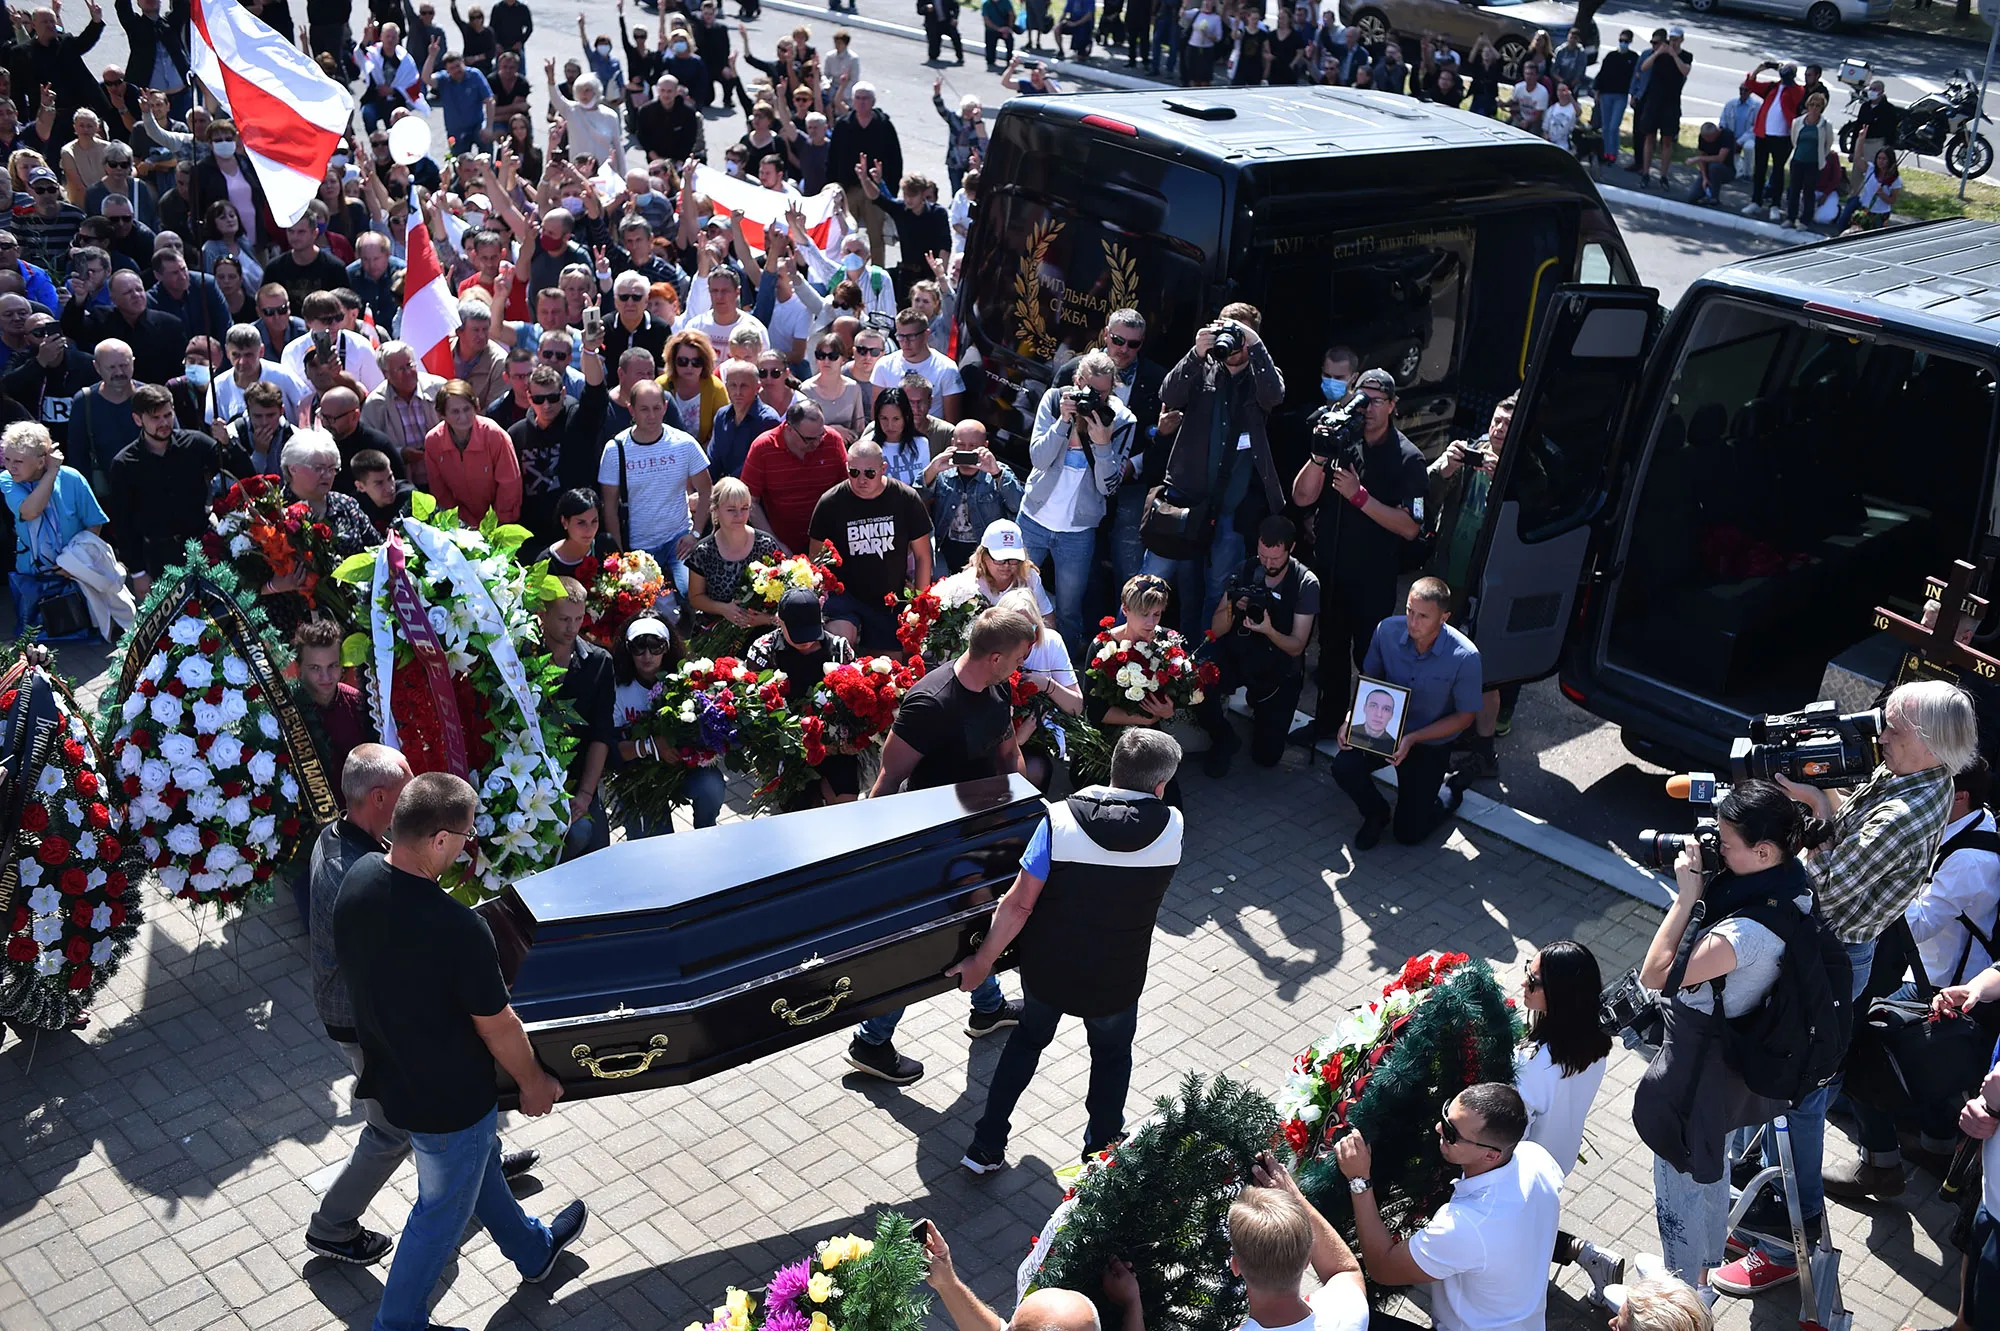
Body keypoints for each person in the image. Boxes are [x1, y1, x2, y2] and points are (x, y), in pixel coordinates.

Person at [1712, 680, 1972, 1296]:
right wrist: (1813, 797)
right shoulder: (1910, 778)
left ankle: (1787, 1244)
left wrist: (1763, 849)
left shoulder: (1906, 815)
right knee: (1773, 1086)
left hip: (1828, 962)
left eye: (1894, 728)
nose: (1879, 732)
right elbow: (1841, 835)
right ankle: (1753, 1212)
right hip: (1827, 954)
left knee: (1797, 1106)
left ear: (1931, 743)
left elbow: (1821, 883)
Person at [332, 772, 588, 1329]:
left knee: (476, 1173)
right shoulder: (457, 928)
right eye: (467, 837)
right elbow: (498, 1027)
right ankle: (397, 1323)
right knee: (439, 1212)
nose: (469, 846)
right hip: (449, 1100)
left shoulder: (356, 879)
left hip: (393, 1079)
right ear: (440, 840)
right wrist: (534, 1083)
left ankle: (533, 1251)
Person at [305, 745, 541, 1266]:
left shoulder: (338, 837)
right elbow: (403, 967)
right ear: (381, 797)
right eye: (407, 789)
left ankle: (486, 1171)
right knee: (393, 1129)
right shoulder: (359, 872)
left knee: (436, 1133)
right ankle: (332, 1225)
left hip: (355, 1009)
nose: (416, 800)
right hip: (361, 1020)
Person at [952, 725, 1183, 1172]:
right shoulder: (1173, 825)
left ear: (1113, 766)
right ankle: (1100, 1157)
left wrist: (982, 962)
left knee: (1026, 1042)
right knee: (1112, 1057)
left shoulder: (1057, 820)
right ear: (1160, 786)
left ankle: (985, 1146)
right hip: (1116, 977)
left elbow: (1018, 905)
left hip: (1049, 971)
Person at [1633, 780, 1815, 1294]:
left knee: (1682, 1178)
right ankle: (1703, 1268)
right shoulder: (1790, 884)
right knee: (1712, 1165)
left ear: (1763, 850)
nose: (1713, 847)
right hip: (1731, 1059)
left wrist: (1687, 894)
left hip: (1697, 1073)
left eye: (1725, 843)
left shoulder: (1745, 932)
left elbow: (1657, 972)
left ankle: (1686, 1294)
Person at [850, 605, 1036, 1084]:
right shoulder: (930, 704)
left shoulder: (996, 688)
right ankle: (870, 1041)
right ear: (994, 656)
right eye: (1018, 656)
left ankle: (988, 1008)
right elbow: (889, 779)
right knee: (933, 943)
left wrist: (1024, 813)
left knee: (979, 921)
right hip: (933, 844)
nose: (1022, 665)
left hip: (982, 833)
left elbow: (1007, 751)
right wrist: (876, 855)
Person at [1836, 757, 2000, 1201]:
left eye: (1936, 789)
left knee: (1862, 1045)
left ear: (1959, 797)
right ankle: (1936, 1145)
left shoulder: (1972, 860)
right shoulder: (1969, 825)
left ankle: (1880, 1165)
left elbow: (1918, 923)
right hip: (1935, 970)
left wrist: (1882, 873)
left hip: (1951, 984)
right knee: (1925, 1058)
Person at [1336, 1082, 1561, 1331]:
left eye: (1452, 1134)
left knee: (1343, 1321)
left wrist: (1359, 1180)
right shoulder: (1536, 1158)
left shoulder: (1467, 1225)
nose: (1438, 1128)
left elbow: (1382, 1268)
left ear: (1490, 1156)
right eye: (1445, 1114)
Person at [1291, 367, 1426, 747]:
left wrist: (1359, 496)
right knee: (1331, 654)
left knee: (1374, 659)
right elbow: (1302, 497)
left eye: (1376, 401)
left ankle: (1373, 738)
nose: (1366, 408)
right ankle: (1327, 724)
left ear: (1393, 406)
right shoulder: (1339, 438)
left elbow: (1411, 526)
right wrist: (1319, 457)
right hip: (1332, 570)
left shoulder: (1407, 458)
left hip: (1373, 578)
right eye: (1360, 399)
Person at [1142, 303, 1285, 637]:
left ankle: (1202, 666)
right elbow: (1168, 394)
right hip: (1183, 501)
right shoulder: (1202, 366)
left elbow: (1275, 396)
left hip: (1228, 508)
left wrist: (1257, 347)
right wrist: (1195, 352)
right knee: (1156, 585)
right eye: (1227, 330)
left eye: (1240, 335)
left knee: (1218, 593)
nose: (1231, 343)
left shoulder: (1261, 376)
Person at [1331, 577, 1480, 850]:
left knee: (1409, 834)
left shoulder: (1465, 656)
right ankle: (1376, 813)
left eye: (1423, 616)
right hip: (1383, 728)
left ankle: (1450, 790)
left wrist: (1412, 739)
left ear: (1444, 617)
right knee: (1343, 766)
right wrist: (1351, 718)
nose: (1413, 622)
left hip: (1427, 743)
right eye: (1410, 611)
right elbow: (1369, 678)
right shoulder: (1386, 631)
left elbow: (1465, 716)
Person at [1518, 940, 1624, 1302]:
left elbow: (1512, 1126)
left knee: (1517, 1229)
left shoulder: (1535, 1064)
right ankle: (1587, 1256)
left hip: (1523, 1165)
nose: (1524, 985)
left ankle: (1581, 1257)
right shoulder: (1593, 1042)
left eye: (1533, 981)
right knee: (1531, 1222)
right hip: (1559, 1155)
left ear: (1559, 994)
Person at [1024, 351, 1135, 661]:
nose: (1094, 399)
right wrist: (1063, 422)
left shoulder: (1122, 420)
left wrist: (1102, 444)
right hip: (1034, 518)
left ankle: (1064, 673)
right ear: (1077, 382)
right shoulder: (1054, 400)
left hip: (1077, 531)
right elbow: (1039, 459)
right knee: (1017, 595)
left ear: (1112, 389)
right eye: (1089, 390)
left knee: (1070, 610)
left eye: (1102, 393)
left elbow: (1108, 487)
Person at [1429, 392, 1517, 778]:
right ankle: (1457, 728)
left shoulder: (1525, 466)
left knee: (1484, 668)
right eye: (1495, 421)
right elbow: (1428, 490)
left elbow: (1535, 510)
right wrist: (1446, 467)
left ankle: (1484, 751)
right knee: (1444, 653)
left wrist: (1505, 482)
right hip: (1451, 572)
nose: (1497, 430)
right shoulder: (1470, 452)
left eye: (1507, 426)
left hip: (1493, 581)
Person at [1195, 514, 1317, 778]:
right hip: (1240, 654)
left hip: (1279, 668)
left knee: (1266, 757)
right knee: (1198, 686)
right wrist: (1233, 606)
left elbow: (1297, 646)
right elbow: (1215, 631)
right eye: (1263, 556)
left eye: (1275, 558)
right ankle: (1224, 738)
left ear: (1291, 549)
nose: (1268, 563)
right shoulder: (1245, 570)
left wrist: (1269, 630)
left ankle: (1261, 706)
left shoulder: (1306, 584)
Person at [599, 378, 710, 619]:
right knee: (656, 612)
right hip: (639, 547)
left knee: (693, 595)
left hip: (679, 539)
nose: (651, 415)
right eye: (644, 409)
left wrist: (696, 534)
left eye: (657, 408)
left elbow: (706, 490)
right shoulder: (615, 448)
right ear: (631, 410)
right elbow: (609, 505)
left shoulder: (683, 443)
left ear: (665, 407)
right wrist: (620, 557)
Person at [810, 438, 932, 653]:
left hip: (889, 600)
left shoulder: (905, 498)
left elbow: (923, 556)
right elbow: (817, 562)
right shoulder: (830, 503)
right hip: (844, 597)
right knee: (839, 649)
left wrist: (919, 606)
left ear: (883, 468)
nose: (861, 480)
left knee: (888, 672)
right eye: (854, 472)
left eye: (869, 473)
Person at [746, 588, 864, 809]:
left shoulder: (839, 649)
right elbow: (757, 715)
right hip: (789, 746)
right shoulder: (763, 653)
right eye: (798, 634)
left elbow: (853, 701)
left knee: (846, 802)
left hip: (834, 743)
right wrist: (802, 743)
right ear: (780, 622)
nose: (806, 642)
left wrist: (845, 740)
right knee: (802, 808)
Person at [107, 382, 226, 601]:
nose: (164, 423)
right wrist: (138, 572)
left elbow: (236, 471)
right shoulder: (125, 463)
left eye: (167, 415)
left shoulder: (196, 444)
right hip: (158, 558)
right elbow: (123, 524)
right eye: (155, 418)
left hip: (203, 546)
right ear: (138, 419)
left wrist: (227, 442)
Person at [1224, 1154, 1370, 1331]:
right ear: (1308, 1260)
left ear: (1235, 1266)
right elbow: (1346, 1270)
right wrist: (1295, 1197)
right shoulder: (1346, 1314)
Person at [611, 615, 727, 833]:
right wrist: (652, 745)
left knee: (711, 786)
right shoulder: (618, 689)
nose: (647, 656)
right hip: (638, 774)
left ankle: (707, 834)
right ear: (628, 649)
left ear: (667, 648)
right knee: (652, 842)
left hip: (683, 768)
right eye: (639, 647)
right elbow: (612, 750)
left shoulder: (686, 681)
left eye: (656, 647)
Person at [0, 422, 105, 633]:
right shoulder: (7, 480)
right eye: (7, 459)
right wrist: (51, 472)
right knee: (37, 635)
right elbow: (30, 511)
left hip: (76, 571)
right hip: (32, 575)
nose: (11, 466)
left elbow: (94, 523)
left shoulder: (72, 478)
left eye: (19, 461)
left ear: (41, 461)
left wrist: (74, 562)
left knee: (79, 630)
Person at [542, 578, 617, 860]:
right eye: (563, 619)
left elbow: (601, 733)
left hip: (577, 779)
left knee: (597, 851)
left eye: (578, 618)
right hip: (532, 777)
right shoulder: (519, 655)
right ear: (542, 613)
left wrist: (586, 794)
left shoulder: (599, 663)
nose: (572, 628)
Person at [743, 398, 848, 556]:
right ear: (789, 428)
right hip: (781, 545)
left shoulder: (832, 441)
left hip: (828, 544)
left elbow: (847, 489)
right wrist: (774, 543)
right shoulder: (763, 448)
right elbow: (751, 501)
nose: (818, 443)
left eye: (821, 434)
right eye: (809, 439)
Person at [926, 419, 1023, 573]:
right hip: (945, 551)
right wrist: (932, 469)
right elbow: (915, 499)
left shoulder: (997, 471)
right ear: (952, 444)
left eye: (973, 447)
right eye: (961, 445)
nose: (966, 450)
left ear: (985, 446)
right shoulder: (942, 471)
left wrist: (996, 474)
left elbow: (1018, 505)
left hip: (985, 555)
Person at [424, 379, 521, 526]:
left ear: (476, 406)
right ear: (442, 414)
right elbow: (439, 490)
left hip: (498, 522)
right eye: (455, 412)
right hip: (460, 525)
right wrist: (461, 523)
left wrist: (499, 522)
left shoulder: (494, 435)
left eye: (467, 409)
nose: (463, 417)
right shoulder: (433, 441)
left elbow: (509, 483)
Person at [871, 308, 964, 422]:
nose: (905, 342)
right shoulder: (883, 365)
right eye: (900, 336)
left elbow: (952, 422)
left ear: (926, 334)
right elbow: (876, 415)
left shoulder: (947, 369)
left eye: (911, 336)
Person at [1742, 61, 1803, 220]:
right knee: (1759, 169)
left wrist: (1784, 72)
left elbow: (1798, 98)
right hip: (1763, 134)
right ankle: (1756, 201)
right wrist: (1760, 69)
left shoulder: (1797, 90)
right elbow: (1750, 84)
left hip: (1782, 137)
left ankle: (1775, 205)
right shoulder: (1771, 87)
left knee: (1777, 172)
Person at [1633, 28, 1692, 189]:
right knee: (1649, 137)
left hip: (1671, 102)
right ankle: (1645, 173)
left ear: (1681, 40)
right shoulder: (1660, 53)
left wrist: (1674, 55)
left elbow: (1685, 71)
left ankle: (1663, 176)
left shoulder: (1685, 56)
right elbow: (1644, 67)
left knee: (1667, 141)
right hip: (1654, 101)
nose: (1673, 42)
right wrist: (1658, 53)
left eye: (1676, 39)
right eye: (1671, 39)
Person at [707, 358, 781, 481]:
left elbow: (756, 466)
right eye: (733, 385)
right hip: (722, 490)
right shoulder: (722, 416)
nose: (737, 392)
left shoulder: (767, 420)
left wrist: (722, 488)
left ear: (757, 388)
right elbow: (713, 459)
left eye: (744, 386)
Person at [1782, 93, 1834, 231]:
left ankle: (1805, 220)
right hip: (1798, 160)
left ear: (1822, 108)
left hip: (1813, 163)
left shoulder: (1825, 125)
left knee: (1809, 192)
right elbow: (1794, 140)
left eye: (1818, 106)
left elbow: (1827, 145)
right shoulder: (1798, 122)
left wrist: (1820, 157)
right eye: (1812, 105)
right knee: (1794, 190)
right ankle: (1790, 218)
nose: (1814, 108)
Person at [1686, 122, 1738, 205]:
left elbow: (1720, 158)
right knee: (1692, 197)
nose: (1707, 140)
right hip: (1707, 170)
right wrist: (1704, 177)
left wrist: (1699, 158)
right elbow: (1701, 156)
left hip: (1726, 170)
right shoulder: (1702, 138)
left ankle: (1714, 197)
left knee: (1714, 167)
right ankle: (1706, 192)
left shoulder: (1727, 135)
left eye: (1709, 138)